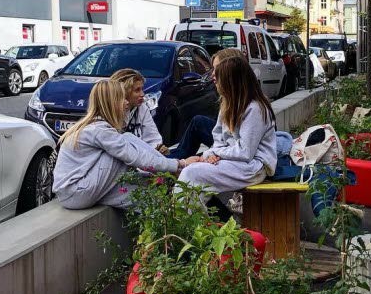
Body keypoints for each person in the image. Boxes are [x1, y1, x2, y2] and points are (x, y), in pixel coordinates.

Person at [52, 80, 198, 210]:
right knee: (122, 150)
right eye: (122, 98)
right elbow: (135, 157)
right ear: (111, 102)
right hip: (76, 193)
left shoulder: (96, 127)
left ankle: (161, 185)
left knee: (127, 141)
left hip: (76, 192)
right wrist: (179, 163)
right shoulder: (98, 130)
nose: (127, 102)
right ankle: (170, 174)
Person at [177, 55, 277, 208]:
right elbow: (218, 138)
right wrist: (211, 154)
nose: (213, 78)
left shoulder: (255, 108)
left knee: (192, 174)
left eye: (218, 75)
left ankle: (182, 223)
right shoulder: (228, 103)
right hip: (234, 161)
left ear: (232, 81)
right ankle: (193, 224)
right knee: (191, 173)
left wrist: (215, 153)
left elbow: (245, 152)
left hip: (253, 167)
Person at [168, 48, 246, 159]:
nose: (212, 74)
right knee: (198, 121)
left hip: (238, 157)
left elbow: (243, 150)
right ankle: (173, 158)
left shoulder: (250, 105)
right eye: (212, 69)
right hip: (227, 150)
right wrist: (211, 153)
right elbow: (219, 135)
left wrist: (213, 154)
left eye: (217, 69)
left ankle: (173, 160)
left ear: (230, 70)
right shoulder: (228, 97)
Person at [110, 68, 169, 155]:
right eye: (137, 90)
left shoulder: (142, 107)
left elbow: (153, 138)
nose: (142, 94)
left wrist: (159, 148)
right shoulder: (108, 112)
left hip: (142, 159)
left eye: (142, 89)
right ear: (123, 92)